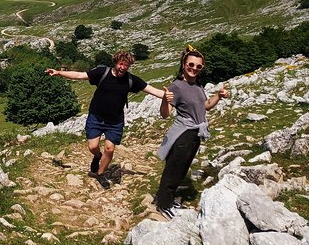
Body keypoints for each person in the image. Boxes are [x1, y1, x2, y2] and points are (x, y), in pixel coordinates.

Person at [46, 50, 166, 189]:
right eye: (121, 64)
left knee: (109, 149)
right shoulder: (102, 72)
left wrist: (170, 96)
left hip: (115, 121)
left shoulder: (131, 80)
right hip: (96, 117)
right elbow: (80, 75)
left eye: (126, 65)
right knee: (93, 147)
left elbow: (152, 90)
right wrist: (59, 73)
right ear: (116, 62)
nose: (123, 67)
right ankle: (97, 156)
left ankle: (100, 173)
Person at [154, 45, 230, 219]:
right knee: (173, 169)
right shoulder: (177, 86)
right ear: (184, 65)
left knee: (182, 169)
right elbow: (165, 115)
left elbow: (205, 107)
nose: (194, 69)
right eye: (191, 65)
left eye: (198, 66)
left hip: (195, 132)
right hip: (183, 132)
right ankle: (163, 205)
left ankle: (169, 199)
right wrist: (165, 101)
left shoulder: (197, 86)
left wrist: (218, 95)